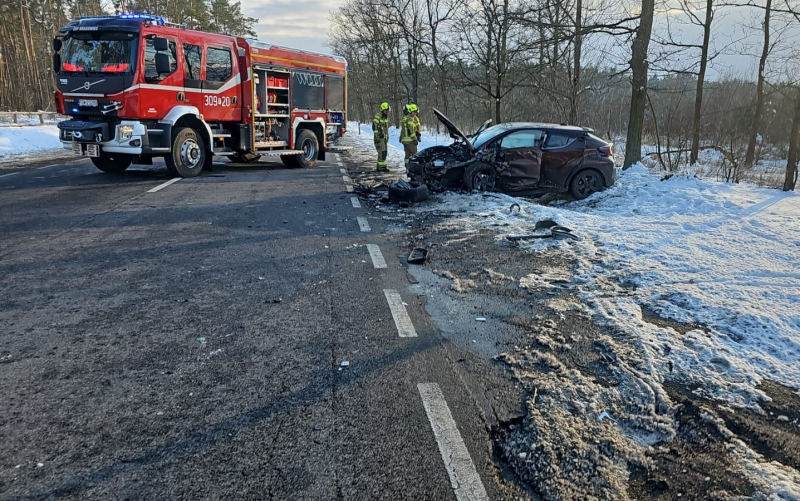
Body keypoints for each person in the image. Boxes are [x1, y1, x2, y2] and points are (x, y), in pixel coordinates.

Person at [373, 102, 390, 171]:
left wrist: (387, 136)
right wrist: (376, 136)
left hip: (384, 139)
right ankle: (381, 167)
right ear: (382, 110)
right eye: (386, 110)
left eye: (387, 111)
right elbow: (375, 127)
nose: (387, 112)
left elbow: (386, 129)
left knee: (384, 152)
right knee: (381, 152)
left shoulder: (385, 118)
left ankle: (383, 166)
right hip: (379, 138)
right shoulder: (377, 116)